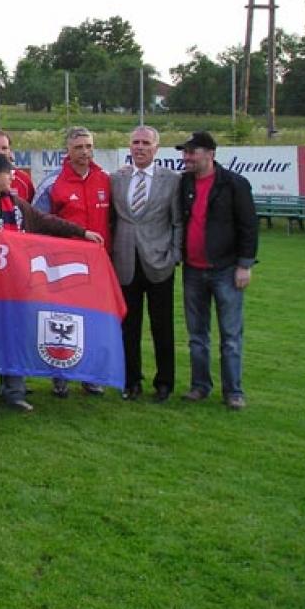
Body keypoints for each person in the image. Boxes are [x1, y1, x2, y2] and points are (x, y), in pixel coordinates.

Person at [0, 154, 104, 414]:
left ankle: (14, 392)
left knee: (14, 338)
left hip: (14, 287)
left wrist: (81, 232)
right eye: (8, 172)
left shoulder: (17, 206)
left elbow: (46, 221)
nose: (13, 176)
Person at [177, 131, 258, 410]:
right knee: (197, 336)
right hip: (193, 270)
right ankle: (200, 386)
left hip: (226, 269)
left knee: (231, 336)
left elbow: (249, 226)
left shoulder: (234, 184)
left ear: (210, 154)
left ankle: (233, 391)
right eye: (184, 152)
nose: (186, 158)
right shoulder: (184, 183)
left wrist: (244, 265)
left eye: (191, 152)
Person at [33, 126, 112, 397]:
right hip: (63, 268)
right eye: (78, 147)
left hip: (98, 268)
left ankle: (90, 376)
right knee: (64, 322)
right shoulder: (52, 183)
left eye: (89, 146)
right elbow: (37, 224)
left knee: (93, 322)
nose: (85, 152)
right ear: (67, 150)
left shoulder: (104, 180)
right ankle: (61, 375)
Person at [110, 126, 181, 402]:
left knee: (162, 326)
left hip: (159, 262)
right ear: (129, 147)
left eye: (145, 143)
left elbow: (177, 222)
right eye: (135, 143)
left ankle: (164, 383)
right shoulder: (117, 179)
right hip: (125, 262)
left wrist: (174, 255)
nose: (140, 147)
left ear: (156, 148)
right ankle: (131, 380)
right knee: (129, 326)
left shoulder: (171, 181)